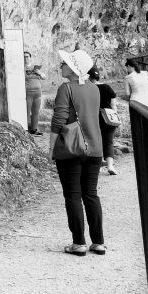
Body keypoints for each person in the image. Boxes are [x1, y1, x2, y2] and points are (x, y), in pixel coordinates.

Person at [51, 49, 105, 256]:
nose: (61, 66)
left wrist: (51, 148)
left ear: (74, 69)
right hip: (95, 148)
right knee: (91, 194)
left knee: (73, 195)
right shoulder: (94, 88)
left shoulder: (66, 88)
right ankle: (98, 242)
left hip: (71, 148)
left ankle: (79, 243)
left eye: (64, 64)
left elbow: (59, 120)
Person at [88, 65, 119, 175]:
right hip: (108, 118)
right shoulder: (107, 87)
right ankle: (110, 166)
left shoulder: (88, 89)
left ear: (88, 77)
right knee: (109, 142)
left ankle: (98, 166)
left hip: (94, 118)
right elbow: (113, 105)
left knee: (96, 142)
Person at [24, 51, 46, 134]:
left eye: (27, 57)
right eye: (24, 57)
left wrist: (39, 73)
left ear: (30, 58)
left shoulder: (35, 68)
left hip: (37, 93)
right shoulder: (22, 68)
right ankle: (25, 130)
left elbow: (44, 77)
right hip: (28, 93)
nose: (26, 58)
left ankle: (34, 129)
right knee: (26, 112)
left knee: (35, 112)